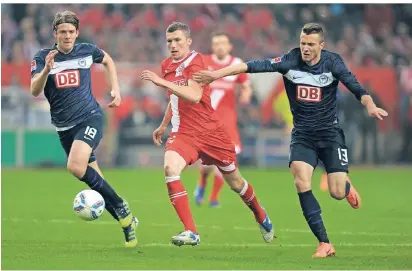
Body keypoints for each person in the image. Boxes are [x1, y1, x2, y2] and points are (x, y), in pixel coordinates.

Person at [193, 23, 388, 257]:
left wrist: (371, 105)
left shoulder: (332, 62)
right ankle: (324, 243)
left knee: (335, 192)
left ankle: (344, 186)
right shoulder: (289, 60)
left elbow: (357, 88)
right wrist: (215, 74)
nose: (305, 48)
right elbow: (251, 66)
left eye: (310, 45)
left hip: (329, 134)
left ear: (321, 46)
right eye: (303, 43)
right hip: (303, 135)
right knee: (300, 181)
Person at [140, 21, 274, 247]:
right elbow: (174, 98)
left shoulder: (197, 61)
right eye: (169, 41)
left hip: (211, 133)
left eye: (177, 40)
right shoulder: (166, 65)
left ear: (188, 41)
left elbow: (192, 95)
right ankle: (191, 231)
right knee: (170, 169)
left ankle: (260, 215)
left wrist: (161, 82)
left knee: (236, 183)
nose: (173, 45)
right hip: (184, 133)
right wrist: (164, 125)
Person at [30, 11, 138, 248]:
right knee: (95, 179)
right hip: (64, 128)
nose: (67, 36)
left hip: (90, 118)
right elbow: (34, 91)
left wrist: (116, 89)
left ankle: (120, 206)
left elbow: (108, 60)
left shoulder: (87, 50)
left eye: (71, 32)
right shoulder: (41, 57)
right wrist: (47, 70)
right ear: (55, 33)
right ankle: (128, 222)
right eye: (63, 32)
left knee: (75, 166)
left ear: (77, 33)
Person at [193, 32, 252, 208]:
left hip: (227, 122)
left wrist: (246, 95)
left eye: (223, 43)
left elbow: (246, 85)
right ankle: (202, 183)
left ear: (229, 46)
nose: (220, 46)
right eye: (216, 43)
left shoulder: (236, 64)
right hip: (206, 120)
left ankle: (213, 198)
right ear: (212, 47)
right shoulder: (203, 62)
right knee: (207, 164)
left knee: (227, 160)